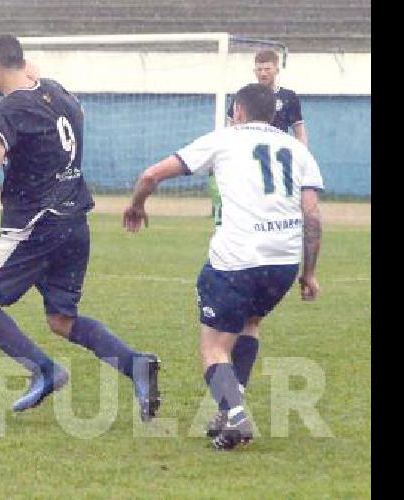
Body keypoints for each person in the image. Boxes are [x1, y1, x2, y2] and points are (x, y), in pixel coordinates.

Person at [0, 35, 161, 421]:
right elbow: (70, 111)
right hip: (75, 222)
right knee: (61, 320)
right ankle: (135, 364)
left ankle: (45, 370)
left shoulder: (7, 109)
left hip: (36, 225)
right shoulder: (58, 93)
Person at [122, 83, 324, 450]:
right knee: (250, 323)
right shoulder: (298, 150)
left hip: (237, 259)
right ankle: (230, 408)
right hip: (282, 262)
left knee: (214, 347)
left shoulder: (225, 139)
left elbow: (152, 175)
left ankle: (235, 416)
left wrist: (136, 204)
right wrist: (308, 272)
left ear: (239, 112)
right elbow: (312, 216)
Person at [210, 49, 308, 226]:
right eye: (259, 69)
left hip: (275, 159)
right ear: (254, 71)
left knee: (276, 199)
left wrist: (303, 155)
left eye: (267, 69)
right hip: (249, 157)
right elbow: (232, 126)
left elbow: (299, 129)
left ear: (277, 70)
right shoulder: (244, 95)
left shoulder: (288, 97)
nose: (263, 73)